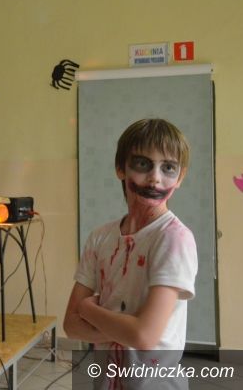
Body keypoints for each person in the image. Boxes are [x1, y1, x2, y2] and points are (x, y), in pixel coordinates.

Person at [63, 118, 198, 388]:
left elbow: (144, 337)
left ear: (180, 177)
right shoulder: (100, 237)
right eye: (142, 164)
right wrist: (126, 328)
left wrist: (89, 309)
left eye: (168, 168)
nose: (155, 178)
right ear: (120, 168)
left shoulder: (173, 238)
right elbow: (71, 325)